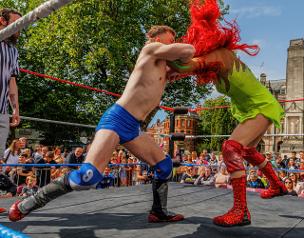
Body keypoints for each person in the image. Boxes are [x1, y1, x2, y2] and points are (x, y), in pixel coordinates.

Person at [8, 25, 195, 222]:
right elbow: (188, 51)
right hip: (117, 119)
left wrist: (174, 70)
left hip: (134, 126)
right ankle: (26, 203)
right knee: (88, 176)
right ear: (155, 39)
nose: (173, 43)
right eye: (170, 39)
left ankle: (159, 211)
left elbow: (185, 63)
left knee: (164, 165)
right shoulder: (149, 50)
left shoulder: (162, 67)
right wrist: (179, 62)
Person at [168, 0, 286, 226]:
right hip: (253, 108)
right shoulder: (218, 60)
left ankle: (241, 211)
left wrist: (155, 54)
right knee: (248, 150)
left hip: (260, 107)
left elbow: (184, 66)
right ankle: (277, 185)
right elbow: (188, 68)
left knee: (230, 148)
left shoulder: (221, 55)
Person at [0, 8, 22, 159]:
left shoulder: (13, 51)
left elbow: (11, 80)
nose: (19, 28)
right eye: (15, 23)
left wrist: (15, 109)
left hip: (2, 112)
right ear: (2, 21)